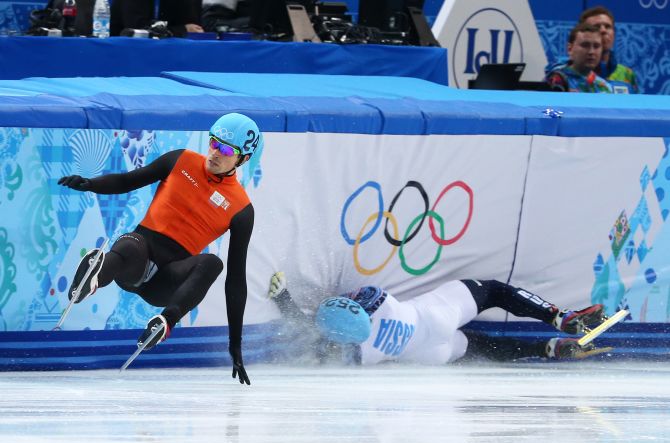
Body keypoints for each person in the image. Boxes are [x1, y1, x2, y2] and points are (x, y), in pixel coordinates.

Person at [58, 112, 263, 385]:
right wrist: (90, 184)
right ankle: (93, 279)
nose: (215, 152)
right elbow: (128, 181)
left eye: (226, 149)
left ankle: (165, 323)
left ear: (243, 159)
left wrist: (235, 343)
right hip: (134, 261)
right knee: (132, 243)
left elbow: (236, 281)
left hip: (165, 282)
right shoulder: (181, 160)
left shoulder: (241, 210)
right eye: (213, 142)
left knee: (213, 263)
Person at [266, 272, 609, 365]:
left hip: (430, 354)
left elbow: (311, 333)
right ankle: (560, 318)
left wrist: (284, 302)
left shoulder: (359, 354)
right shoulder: (377, 300)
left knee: (482, 346)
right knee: (492, 292)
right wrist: (285, 295)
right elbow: (341, 308)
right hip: (432, 314)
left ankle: (549, 349)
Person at [579, 6, 639, 94]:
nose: (603, 30)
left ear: (614, 34)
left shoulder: (627, 74)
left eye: (607, 27)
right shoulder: (570, 75)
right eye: (596, 27)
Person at [545, 23, 613, 93]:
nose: (591, 52)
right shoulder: (555, 80)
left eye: (596, 46)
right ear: (570, 49)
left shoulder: (605, 87)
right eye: (585, 45)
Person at [111, 0, 204, 37]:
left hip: (172, 49)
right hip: (127, 50)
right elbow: (137, 29)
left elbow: (193, 28)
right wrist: (180, 30)